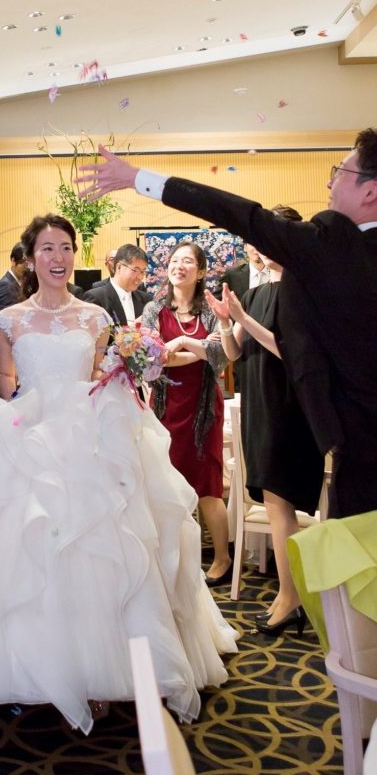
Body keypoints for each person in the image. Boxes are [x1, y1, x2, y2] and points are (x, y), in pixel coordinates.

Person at [0, 214, 236, 736]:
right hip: (31, 432)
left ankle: (97, 673)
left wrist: (125, 378)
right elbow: (9, 379)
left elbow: (98, 376)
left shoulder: (95, 317)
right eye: (46, 249)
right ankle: (29, 668)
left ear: (75, 254)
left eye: (65, 248)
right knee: (25, 546)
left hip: (86, 437)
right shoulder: (9, 318)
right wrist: (12, 416)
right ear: (31, 256)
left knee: (99, 549)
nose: (57, 258)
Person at [76, 135, 377, 520]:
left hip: (359, 449)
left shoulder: (332, 245)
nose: (329, 183)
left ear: (369, 190)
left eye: (340, 173)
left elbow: (243, 214)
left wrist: (139, 178)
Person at [206, 244, 324, 636]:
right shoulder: (256, 293)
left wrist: (244, 318)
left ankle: (291, 598)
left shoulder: (303, 291)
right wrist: (227, 322)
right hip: (259, 399)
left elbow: (291, 352)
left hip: (287, 405)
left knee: (280, 506)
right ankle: (288, 595)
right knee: (275, 505)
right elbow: (234, 353)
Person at [139, 242, 231, 585]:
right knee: (164, 485)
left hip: (203, 408)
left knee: (208, 486)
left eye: (188, 262)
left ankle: (221, 558)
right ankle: (171, 557)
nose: (179, 266)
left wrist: (181, 348)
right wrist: (196, 353)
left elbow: (223, 354)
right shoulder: (153, 309)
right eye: (175, 260)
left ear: (202, 271)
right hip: (164, 408)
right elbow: (150, 358)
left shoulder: (209, 311)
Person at [83, 244, 151, 323]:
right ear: (119, 267)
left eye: (143, 271)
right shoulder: (96, 298)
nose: (140, 277)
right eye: (135, 270)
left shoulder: (146, 300)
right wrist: (131, 330)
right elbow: (90, 333)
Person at [0, 243, 27, 308]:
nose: (27, 268)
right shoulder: (4, 285)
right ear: (13, 261)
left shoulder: (23, 284)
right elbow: (3, 316)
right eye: (24, 264)